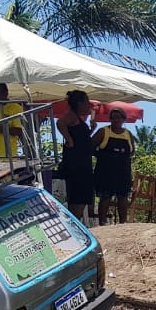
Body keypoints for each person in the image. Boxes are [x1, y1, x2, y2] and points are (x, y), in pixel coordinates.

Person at [56, 90, 96, 222]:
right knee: (77, 197)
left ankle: (76, 222)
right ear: (80, 103)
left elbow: (81, 138)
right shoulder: (71, 115)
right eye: (86, 102)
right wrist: (69, 140)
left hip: (83, 161)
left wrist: (91, 129)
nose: (88, 106)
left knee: (83, 196)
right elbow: (60, 123)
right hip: (76, 163)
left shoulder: (78, 118)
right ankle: (74, 223)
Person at [92, 106, 135, 225]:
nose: (116, 120)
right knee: (105, 197)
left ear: (123, 119)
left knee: (123, 197)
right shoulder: (103, 131)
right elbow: (91, 147)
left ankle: (123, 224)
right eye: (113, 118)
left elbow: (132, 151)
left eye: (119, 118)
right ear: (110, 119)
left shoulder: (128, 134)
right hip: (105, 171)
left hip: (123, 171)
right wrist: (103, 156)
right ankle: (102, 223)